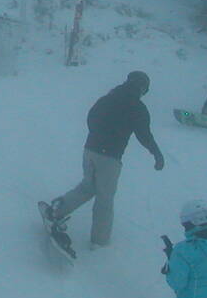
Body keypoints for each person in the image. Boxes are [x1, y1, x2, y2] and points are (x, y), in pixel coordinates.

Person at [44, 71, 165, 248]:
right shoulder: (137, 108)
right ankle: (99, 241)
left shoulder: (108, 98)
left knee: (88, 186)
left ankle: (57, 210)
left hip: (90, 149)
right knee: (105, 199)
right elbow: (144, 135)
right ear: (142, 88)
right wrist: (157, 154)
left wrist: (97, 136)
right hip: (110, 157)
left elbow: (91, 117)